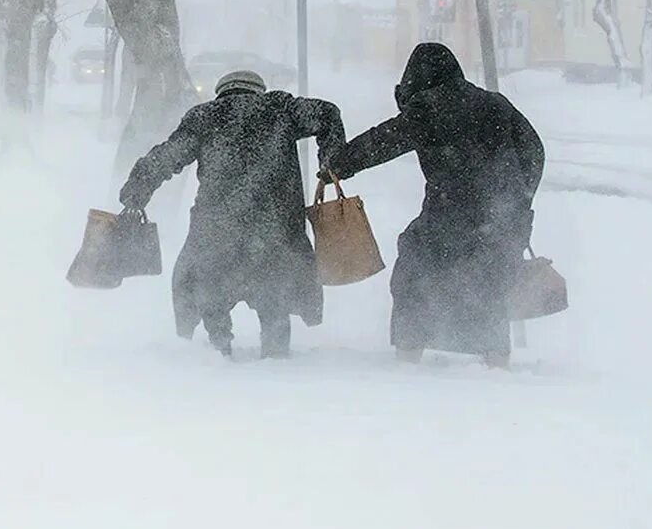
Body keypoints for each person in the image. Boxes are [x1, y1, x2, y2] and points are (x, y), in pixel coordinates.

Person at [326, 43, 544, 368]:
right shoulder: (495, 103)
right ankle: (497, 364)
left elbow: (384, 141)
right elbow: (534, 150)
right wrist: (516, 198)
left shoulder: (430, 107)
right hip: (500, 220)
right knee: (489, 285)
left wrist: (339, 164)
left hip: (451, 215)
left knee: (414, 273)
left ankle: (408, 357)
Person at [119, 69, 345, 359]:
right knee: (273, 301)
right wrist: (331, 162)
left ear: (221, 92)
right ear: (258, 91)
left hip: (218, 231)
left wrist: (136, 190)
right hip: (274, 231)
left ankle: (220, 352)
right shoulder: (281, 108)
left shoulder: (205, 116)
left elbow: (167, 156)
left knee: (211, 293)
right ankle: (276, 359)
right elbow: (328, 113)